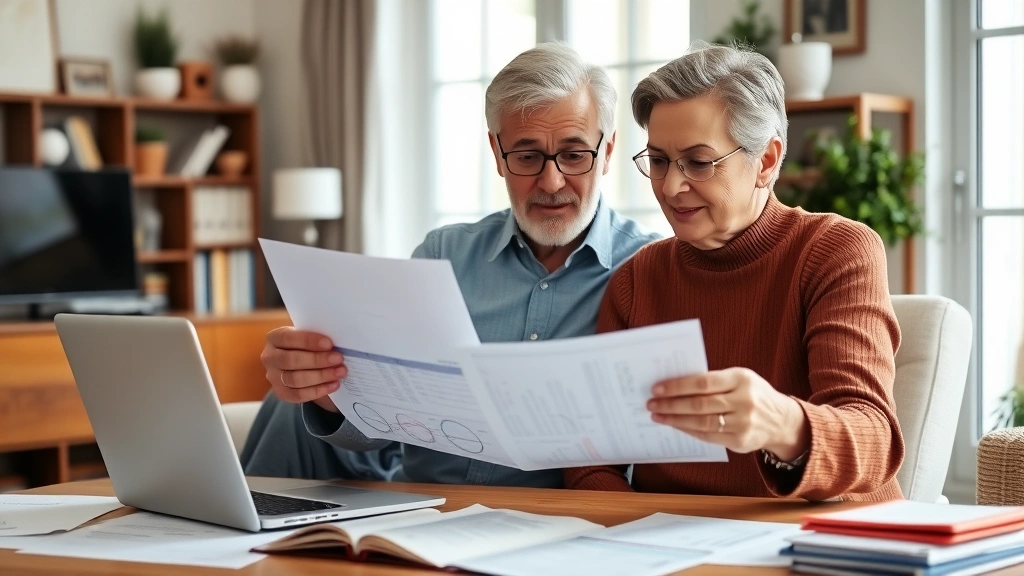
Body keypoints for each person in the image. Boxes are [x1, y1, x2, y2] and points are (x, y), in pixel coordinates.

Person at [247, 42, 660, 487]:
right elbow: (376, 429)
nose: (551, 181)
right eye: (526, 156)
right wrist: (325, 391)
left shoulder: (649, 268)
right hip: (420, 510)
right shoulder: (443, 255)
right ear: (496, 154)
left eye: (575, 155)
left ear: (610, 150)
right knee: (283, 406)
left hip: (552, 524)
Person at [564, 42, 904, 502]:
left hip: (825, 540)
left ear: (765, 161)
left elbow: (875, 436)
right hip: (677, 549)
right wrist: (638, 532)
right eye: (659, 161)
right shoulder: (638, 279)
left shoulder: (836, 251)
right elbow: (590, 462)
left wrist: (782, 423)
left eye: (699, 162)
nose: (671, 186)